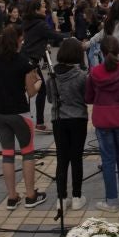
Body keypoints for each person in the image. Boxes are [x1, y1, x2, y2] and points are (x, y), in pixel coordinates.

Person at [0, 25, 47, 210]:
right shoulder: (24, 62)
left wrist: (2, 86)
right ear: (19, 40)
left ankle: (12, 197)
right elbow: (31, 92)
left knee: (7, 154)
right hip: (19, 112)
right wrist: (39, 82)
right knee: (27, 152)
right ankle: (30, 195)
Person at [85, 35, 119, 212]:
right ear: (118, 51)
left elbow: (88, 97)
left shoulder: (94, 73)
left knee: (108, 160)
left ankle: (111, 200)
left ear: (101, 51)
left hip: (103, 119)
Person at [46, 39, 89, 213]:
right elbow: (87, 97)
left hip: (58, 119)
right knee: (76, 158)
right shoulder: (81, 76)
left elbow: (50, 99)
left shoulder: (52, 76)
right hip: (78, 118)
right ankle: (77, 197)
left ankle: (61, 198)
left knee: (62, 159)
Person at [20, 0, 65, 133]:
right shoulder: (40, 24)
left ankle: (22, 119)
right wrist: (70, 37)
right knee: (42, 89)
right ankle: (39, 122)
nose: (45, 9)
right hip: (31, 61)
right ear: (36, 10)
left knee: (22, 89)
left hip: (24, 58)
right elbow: (54, 35)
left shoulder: (27, 22)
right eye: (43, 7)